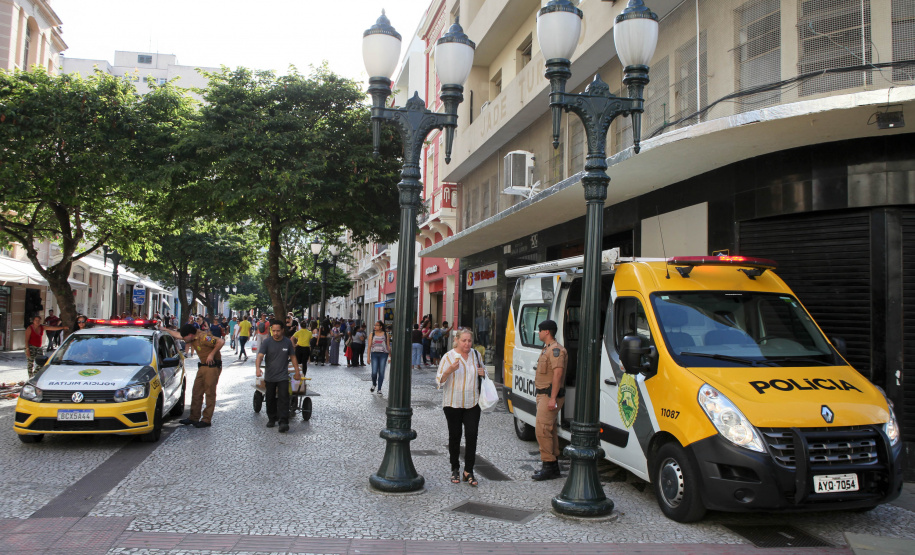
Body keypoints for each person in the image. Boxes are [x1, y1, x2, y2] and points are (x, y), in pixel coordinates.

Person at [436, 329, 486, 487]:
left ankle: (468, 470)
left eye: (469, 341)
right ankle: (455, 468)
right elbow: (439, 381)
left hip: (472, 402)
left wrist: (483, 373)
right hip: (453, 403)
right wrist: (449, 370)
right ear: (456, 340)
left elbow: (484, 376)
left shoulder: (476, 355)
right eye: (464, 341)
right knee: (455, 436)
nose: (467, 344)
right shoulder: (448, 356)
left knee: (472, 435)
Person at [163, 323, 224, 428]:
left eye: (185, 337)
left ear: (190, 335)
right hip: (203, 367)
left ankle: (206, 420)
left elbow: (220, 341)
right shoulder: (192, 338)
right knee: (196, 392)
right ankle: (194, 417)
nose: (183, 339)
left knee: (209, 393)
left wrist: (211, 354)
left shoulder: (204, 337)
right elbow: (177, 335)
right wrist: (164, 329)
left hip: (212, 367)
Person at [531, 319, 568, 481]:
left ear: (546, 332)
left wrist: (553, 398)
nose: (538, 333)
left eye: (539, 331)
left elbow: (558, 374)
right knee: (549, 430)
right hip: (543, 395)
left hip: (549, 396)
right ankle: (552, 465)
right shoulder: (547, 349)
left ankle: (548, 465)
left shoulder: (556, 351)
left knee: (542, 430)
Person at [256, 319, 301, 434]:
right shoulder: (267, 342)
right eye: (273, 330)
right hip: (270, 376)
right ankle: (271, 418)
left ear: (282, 330)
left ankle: (283, 422)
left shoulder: (287, 342)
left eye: (278, 331)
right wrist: (257, 368)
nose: (275, 333)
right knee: (270, 398)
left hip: (283, 376)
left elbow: (293, 357)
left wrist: (297, 372)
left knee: (283, 398)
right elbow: (260, 356)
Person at [368, 320, 390, 395]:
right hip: (374, 354)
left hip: (384, 354)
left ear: (381, 327)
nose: (375, 326)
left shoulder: (386, 334)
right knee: (374, 372)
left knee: (381, 372)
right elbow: (369, 346)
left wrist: (390, 356)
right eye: (375, 325)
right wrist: (368, 357)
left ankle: (379, 389)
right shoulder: (372, 334)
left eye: (377, 325)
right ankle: (374, 383)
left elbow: (388, 346)